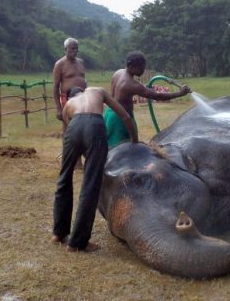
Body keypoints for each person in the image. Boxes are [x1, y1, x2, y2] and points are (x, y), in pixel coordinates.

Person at [51, 86, 138, 252]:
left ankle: (58, 233)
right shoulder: (98, 91)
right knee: (90, 184)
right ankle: (77, 242)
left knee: (64, 178)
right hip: (95, 126)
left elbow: (71, 127)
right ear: (83, 90)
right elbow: (125, 116)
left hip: (73, 127)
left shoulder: (68, 104)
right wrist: (135, 140)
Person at [105, 51, 191, 149]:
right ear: (132, 67)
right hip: (120, 121)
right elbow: (157, 96)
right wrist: (180, 93)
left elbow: (138, 89)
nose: (143, 70)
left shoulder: (118, 73)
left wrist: (145, 88)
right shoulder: (131, 84)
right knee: (123, 151)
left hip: (109, 114)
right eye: (141, 68)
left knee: (110, 148)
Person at [52, 38, 87, 123]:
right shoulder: (59, 64)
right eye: (72, 48)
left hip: (82, 97)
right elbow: (56, 87)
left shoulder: (81, 62)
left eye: (76, 48)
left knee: (84, 122)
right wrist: (59, 108)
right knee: (69, 125)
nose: (75, 51)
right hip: (67, 99)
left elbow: (84, 80)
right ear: (65, 49)